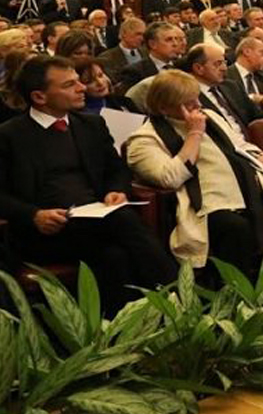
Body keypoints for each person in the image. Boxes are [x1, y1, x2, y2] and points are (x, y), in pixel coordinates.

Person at [0, 56, 177, 312]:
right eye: (70, 85)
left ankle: (117, 329)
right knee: (124, 222)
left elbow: (116, 170)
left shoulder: (90, 125)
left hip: (97, 219)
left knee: (114, 256)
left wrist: (116, 190)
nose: (81, 88)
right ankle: (180, 301)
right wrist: (34, 215)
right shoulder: (9, 136)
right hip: (46, 230)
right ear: (40, 97)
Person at [126, 69, 263, 276]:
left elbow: (239, 145)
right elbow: (170, 178)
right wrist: (194, 134)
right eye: (189, 103)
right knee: (237, 230)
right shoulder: (144, 139)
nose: (198, 107)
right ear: (164, 108)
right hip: (205, 206)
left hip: (247, 190)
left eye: (197, 99)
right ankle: (239, 295)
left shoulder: (209, 116)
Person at [117, 22, 185, 94]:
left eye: (176, 39)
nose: (175, 44)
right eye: (169, 40)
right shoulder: (134, 72)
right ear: (152, 44)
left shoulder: (182, 67)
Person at [97, 17, 147, 81]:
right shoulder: (106, 58)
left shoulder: (147, 52)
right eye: (138, 34)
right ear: (124, 34)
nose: (142, 38)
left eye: (143, 35)